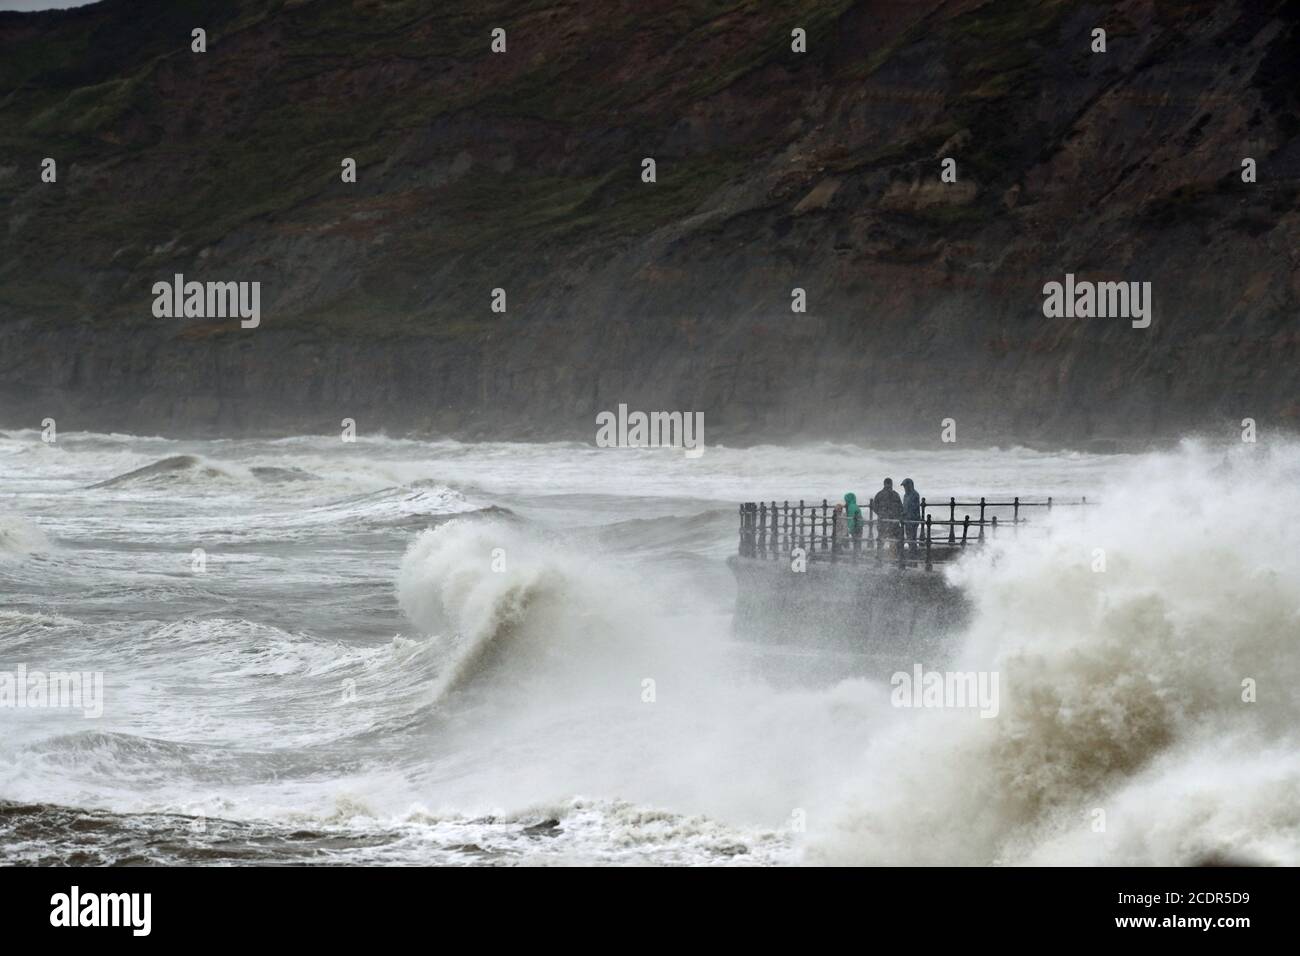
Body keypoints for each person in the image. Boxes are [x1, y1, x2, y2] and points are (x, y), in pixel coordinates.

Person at [871, 478, 904, 545]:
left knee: (881, 540)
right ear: (891, 484)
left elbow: (874, 507)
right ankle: (893, 555)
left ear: (884, 484)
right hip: (893, 522)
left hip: (882, 521)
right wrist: (896, 515)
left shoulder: (879, 494)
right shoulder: (895, 494)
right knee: (893, 541)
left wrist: (880, 514)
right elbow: (901, 508)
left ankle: (880, 554)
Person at [901, 478, 921, 547]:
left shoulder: (915, 495)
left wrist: (905, 513)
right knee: (909, 538)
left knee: (912, 538)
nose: (904, 488)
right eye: (904, 486)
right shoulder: (905, 495)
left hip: (913, 520)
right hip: (907, 520)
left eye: (905, 486)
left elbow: (913, 508)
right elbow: (905, 506)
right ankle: (912, 552)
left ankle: (913, 553)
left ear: (910, 486)